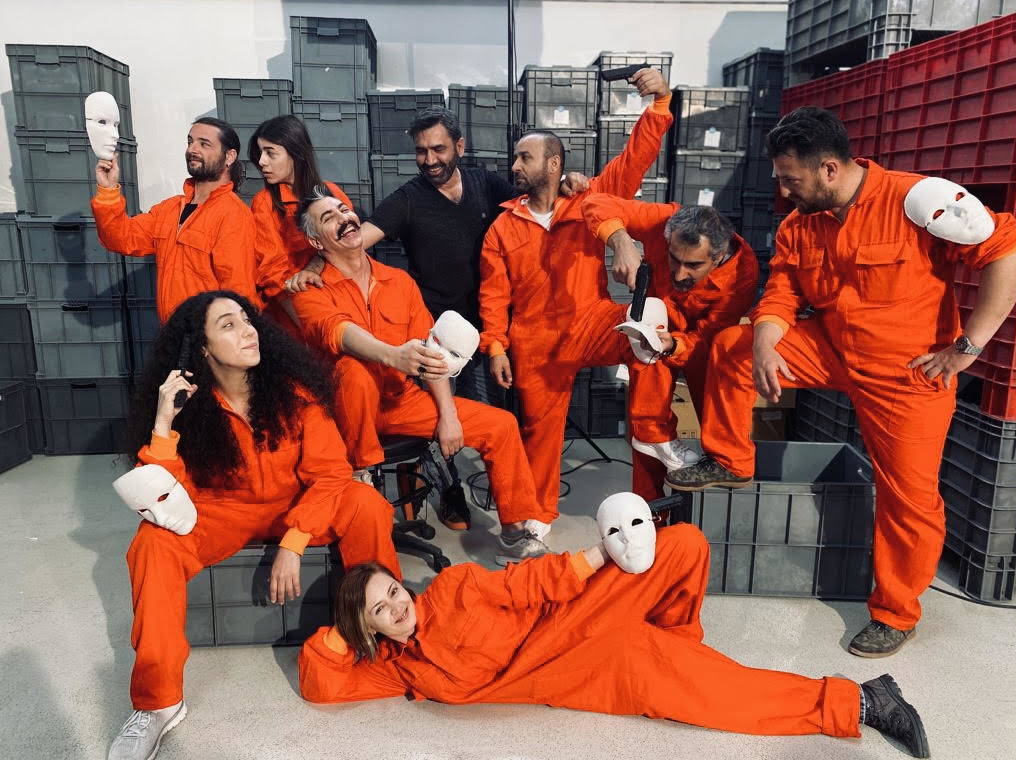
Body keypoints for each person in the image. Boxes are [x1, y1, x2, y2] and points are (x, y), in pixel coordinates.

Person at [666, 107, 1016, 658]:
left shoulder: (915, 201)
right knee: (734, 346)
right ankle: (732, 460)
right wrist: (764, 338)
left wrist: (967, 348)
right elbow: (783, 290)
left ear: (829, 169)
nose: (784, 191)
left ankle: (896, 612)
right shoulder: (799, 224)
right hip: (832, 349)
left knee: (909, 499)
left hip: (907, 374)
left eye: (791, 179)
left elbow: (1008, 252)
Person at [298, 524, 930, 759]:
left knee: (683, 544)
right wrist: (343, 633)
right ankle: (862, 702)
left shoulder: (452, 587)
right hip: (588, 668)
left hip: (567, 621)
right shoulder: (397, 669)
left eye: (393, 591)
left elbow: (526, 583)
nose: (398, 606)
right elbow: (321, 684)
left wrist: (599, 555)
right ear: (368, 629)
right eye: (380, 611)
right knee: (712, 694)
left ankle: (676, 644)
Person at [106, 291, 400, 760]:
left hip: (294, 505)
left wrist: (294, 541)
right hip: (221, 512)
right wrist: (163, 424)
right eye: (228, 325)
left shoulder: (294, 394)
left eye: (247, 320)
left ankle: (387, 641)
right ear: (203, 349)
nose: (247, 331)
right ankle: (158, 703)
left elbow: (331, 474)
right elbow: (161, 497)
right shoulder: (190, 405)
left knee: (365, 503)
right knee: (152, 543)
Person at [289, 192, 551, 565]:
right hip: (344, 413)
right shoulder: (310, 289)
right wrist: (392, 355)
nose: (343, 218)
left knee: (502, 425)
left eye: (344, 210)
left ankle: (514, 533)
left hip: (399, 401)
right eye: (329, 217)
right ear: (317, 242)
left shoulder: (399, 282)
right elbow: (336, 331)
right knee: (353, 370)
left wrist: (448, 416)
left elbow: (432, 352)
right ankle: (364, 475)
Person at [479, 68, 674, 539]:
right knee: (540, 434)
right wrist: (496, 346)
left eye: (525, 157)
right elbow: (493, 294)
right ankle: (535, 517)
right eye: (515, 158)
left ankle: (652, 453)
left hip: (591, 319)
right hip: (535, 339)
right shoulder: (501, 227)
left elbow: (633, 161)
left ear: (553, 164)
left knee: (648, 339)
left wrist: (660, 105)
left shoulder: (588, 201)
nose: (515, 166)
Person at [294, 105, 589, 407]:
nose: (430, 160)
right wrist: (314, 266)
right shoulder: (407, 199)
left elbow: (534, 201)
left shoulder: (485, 183)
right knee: (444, 416)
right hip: (437, 334)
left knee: (490, 412)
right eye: (421, 151)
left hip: (488, 328)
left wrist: (564, 181)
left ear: (459, 146)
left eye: (438, 149)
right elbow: (352, 240)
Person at [581, 197, 759, 500]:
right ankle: (650, 511)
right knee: (649, 431)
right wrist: (622, 242)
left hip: (701, 345)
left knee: (716, 426)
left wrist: (676, 344)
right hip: (655, 328)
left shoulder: (742, 273)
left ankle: (703, 491)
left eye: (693, 265)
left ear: (718, 257)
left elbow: (708, 337)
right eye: (674, 259)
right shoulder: (663, 220)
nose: (679, 274)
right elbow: (596, 203)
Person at [92, 118, 262, 322]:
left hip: (208, 336)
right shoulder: (169, 209)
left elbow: (239, 290)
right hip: (172, 333)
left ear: (229, 156)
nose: (192, 149)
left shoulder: (233, 214)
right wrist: (108, 191)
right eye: (190, 142)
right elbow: (121, 238)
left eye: (204, 144)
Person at [249, 114, 355, 336]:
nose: (262, 161)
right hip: (296, 312)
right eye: (260, 153)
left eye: (270, 153)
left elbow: (353, 251)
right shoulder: (265, 202)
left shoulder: (332, 192)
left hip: (342, 301)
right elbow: (273, 274)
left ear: (295, 153)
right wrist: (308, 325)